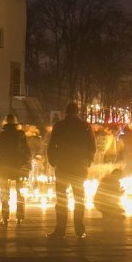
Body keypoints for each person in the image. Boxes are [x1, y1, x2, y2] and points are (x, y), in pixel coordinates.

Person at [47, 102, 96, 239]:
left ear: (66, 112)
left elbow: (51, 146)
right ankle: (79, 230)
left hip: (63, 166)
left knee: (61, 200)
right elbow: (92, 146)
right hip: (79, 167)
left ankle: (60, 230)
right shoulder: (85, 126)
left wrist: (53, 161)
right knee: (79, 198)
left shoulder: (59, 126)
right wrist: (87, 161)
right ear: (77, 112)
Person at [0, 114, 31, 226]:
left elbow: (0, 152)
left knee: (5, 192)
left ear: (6, 122)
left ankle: (5, 217)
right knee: (20, 192)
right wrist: (27, 165)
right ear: (16, 123)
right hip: (19, 167)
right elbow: (26, 150)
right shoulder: (21, 134)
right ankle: (20, 216)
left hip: (5, 166)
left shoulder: (3, 135)